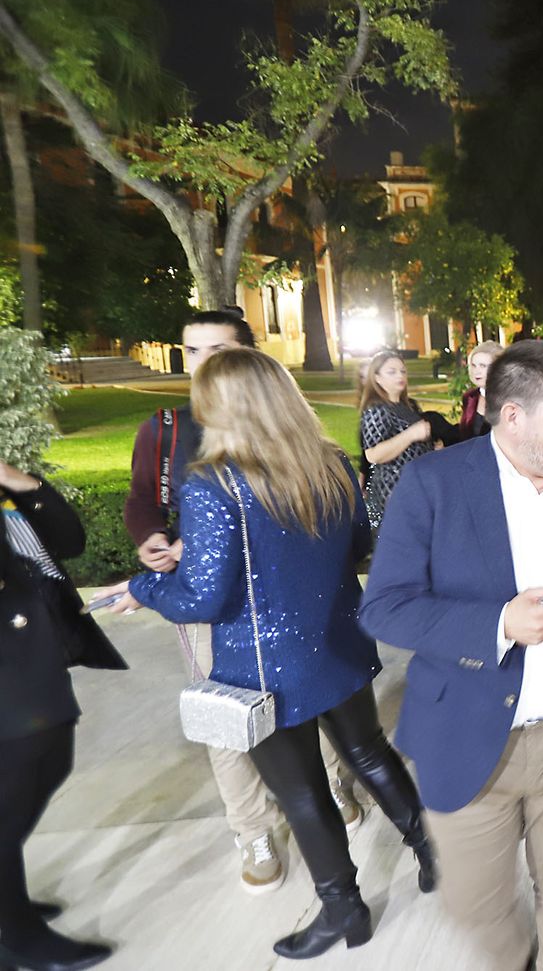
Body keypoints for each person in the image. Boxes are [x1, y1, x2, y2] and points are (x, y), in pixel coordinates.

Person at [101, 348, 433, 961]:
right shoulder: (328, 462)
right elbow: (357, 542)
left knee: (302, 794)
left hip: (263, 665)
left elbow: (201, 597)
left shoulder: (213, 484)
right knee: (369, 752)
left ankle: (344, 911)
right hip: (337, 640)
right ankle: (432, 852)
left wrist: (144, 588)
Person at [359, 340, 543, 971]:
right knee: (478, 903)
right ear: (514, 416)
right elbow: (384, 606)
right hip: (466, 733)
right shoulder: (434, 483)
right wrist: (497, 624)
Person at [122, 309, 357, 892]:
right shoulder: (167, 428)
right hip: (215, 606)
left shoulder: (284, 424)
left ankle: (333, 786)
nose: (203, 362)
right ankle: (253, 828)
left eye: (218, 350)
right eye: (193, 351)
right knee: (230, 718)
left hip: (290, 603)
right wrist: (151, 539)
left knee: (317, 702)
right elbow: (142, 498)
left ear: (250, 357)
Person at [2, 464, 124, 971]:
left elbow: (69, 542)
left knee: (51, 762)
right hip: (9, 666)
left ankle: (7, 901)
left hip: (37, 652)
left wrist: (22, 483)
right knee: (9, 796)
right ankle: (15, 937)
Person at [359, 349, 435, 531]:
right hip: (394, 492)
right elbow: (373, 454)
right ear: (377, 378)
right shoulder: (376, 410)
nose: (400, 376)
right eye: (391, 372)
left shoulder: (409, 406)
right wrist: (410, 435)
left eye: (402, 371)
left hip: (418, 488)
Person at [460, 341, 505, 440]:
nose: (476, 371)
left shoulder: (510, 397)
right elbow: (463, 435)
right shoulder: (469, 397)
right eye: (473, 365)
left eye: (482, 366)